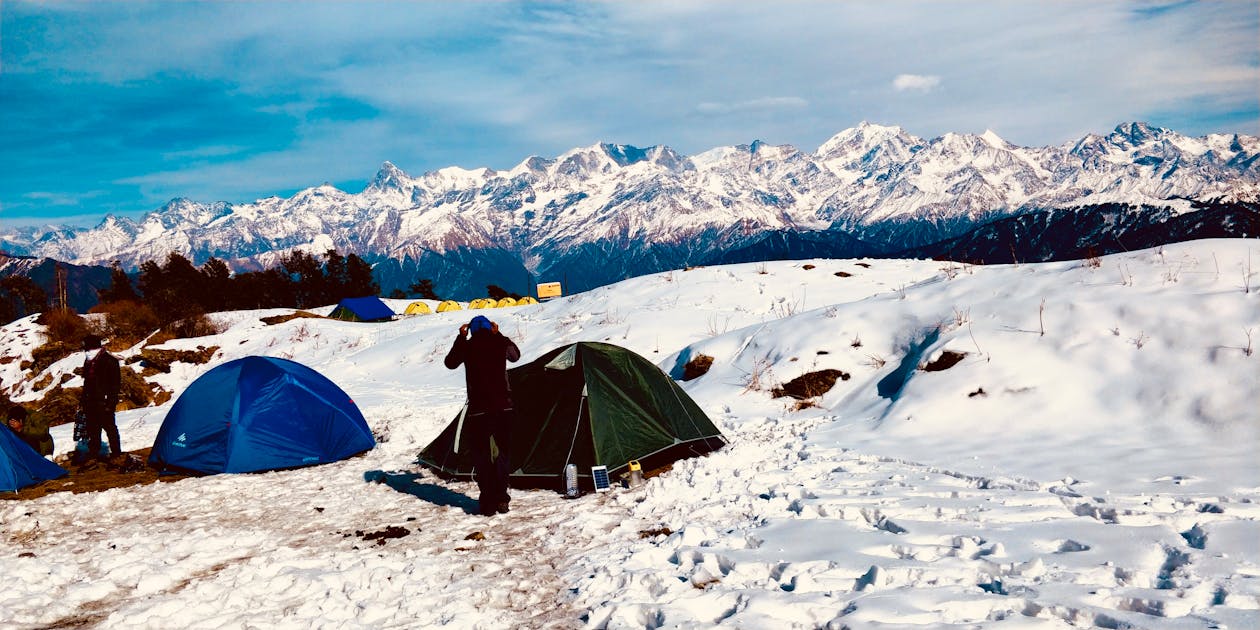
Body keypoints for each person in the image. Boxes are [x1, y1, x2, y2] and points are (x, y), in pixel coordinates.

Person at [444, 315, 521, 516]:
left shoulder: (467, 347)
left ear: (472, 330)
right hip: (503, 408)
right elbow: (515, 356)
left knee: (482, 457)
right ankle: (502, 499)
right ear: (490, 328)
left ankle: (487, 503)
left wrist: (461, 338)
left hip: (478, 411)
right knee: (503, 454)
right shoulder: (500, 342)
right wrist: (499, 334)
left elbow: (450, 363)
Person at [80, 334, 122, 463]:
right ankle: (93, 454)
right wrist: (83, 400)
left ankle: (116, 453)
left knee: (110, 427)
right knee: (93, 429)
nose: (86, 352)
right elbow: (87, 383)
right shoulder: (89, 362)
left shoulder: (110, 361)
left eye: (88, 349)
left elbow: (115, 384)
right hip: (90, 401)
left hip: (104, 401)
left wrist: (111, 403)